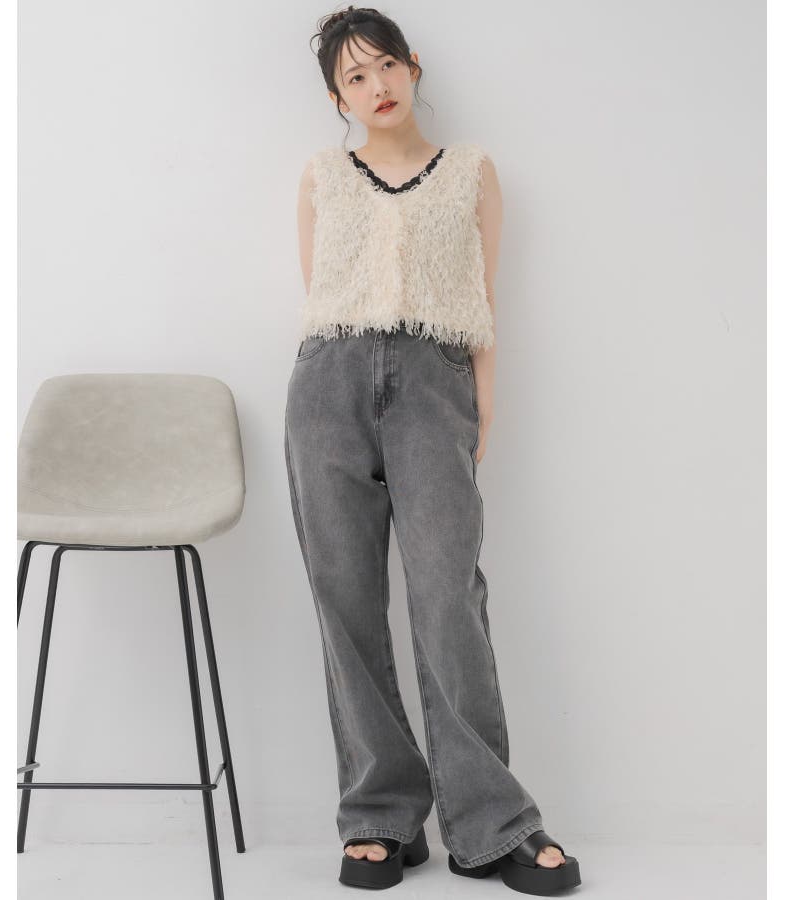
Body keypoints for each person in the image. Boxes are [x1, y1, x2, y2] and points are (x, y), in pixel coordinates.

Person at [283, 6, 582, 894]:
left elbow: (482, 298)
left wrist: (483, 402)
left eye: (385, 66)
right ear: (337, 98)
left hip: (433, 382)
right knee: (345, 601)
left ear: (413, 66)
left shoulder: (472, 173)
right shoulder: (322, 177)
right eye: (354, 77)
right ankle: (380, 817)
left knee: (449, 598)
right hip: (328, 385)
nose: (375, 87)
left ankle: (491, 825)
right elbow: (320, 295)